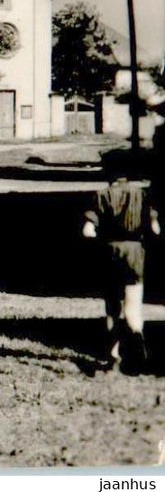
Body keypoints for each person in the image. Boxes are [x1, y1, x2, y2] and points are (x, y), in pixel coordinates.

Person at [83, 157, 160, 374]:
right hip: (135, 253)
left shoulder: (101, 196)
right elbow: (155, 230)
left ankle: (113, 355)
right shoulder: (142, 195)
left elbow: (88, 230)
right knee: (133, 308)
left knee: (112, 309)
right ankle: (139, 348)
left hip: (110, 253)